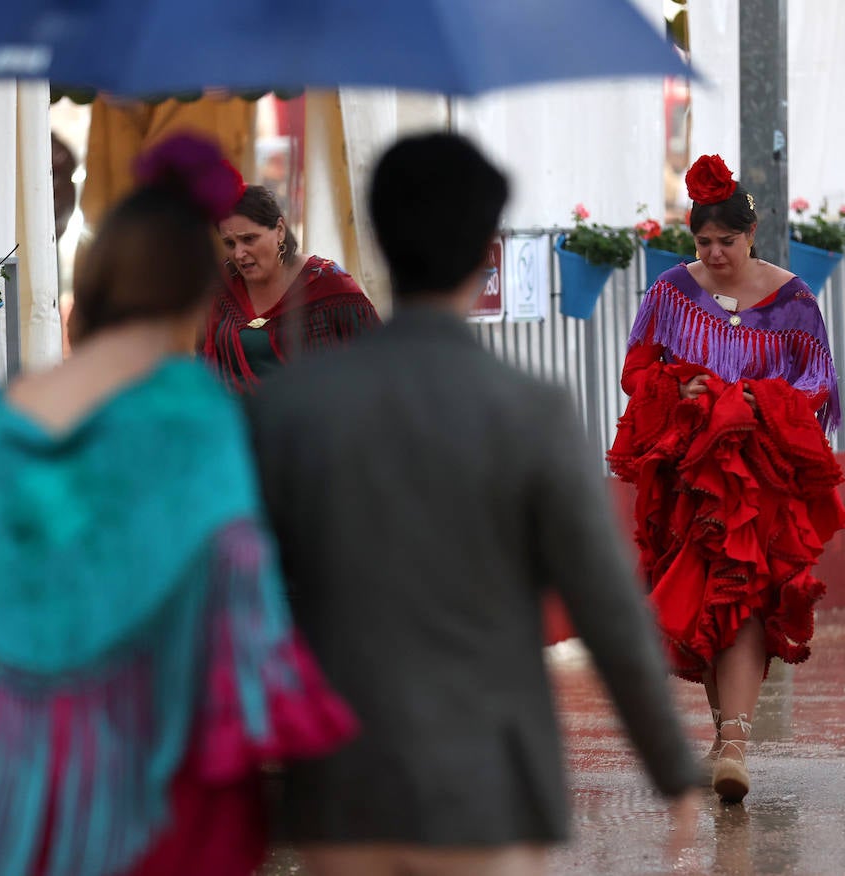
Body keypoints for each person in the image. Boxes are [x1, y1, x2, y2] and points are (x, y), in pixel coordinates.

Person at [0, 134, 356, 876]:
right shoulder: (194, 409)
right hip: (160, 761)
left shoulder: (20, 406)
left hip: (33, 760)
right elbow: (238, 593)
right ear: (194, 289)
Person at [247, 133, 698, 876]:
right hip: (487, 784)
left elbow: (246, 590)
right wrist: (671, 767)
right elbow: (607, 608)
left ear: (383, 242)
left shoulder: (294, 410)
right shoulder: (530, 412)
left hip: (338, 781)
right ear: (489, 250)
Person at [608, 154, 845, 805]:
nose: (715, 253)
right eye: (703, 242)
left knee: (745, 601)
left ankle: (735, 744)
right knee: (708, 607)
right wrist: (676, 384)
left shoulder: (794, 300)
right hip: (691, 479)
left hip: (760, 478)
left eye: (727, 241)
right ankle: (726, 736)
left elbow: (818, 383)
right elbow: (637, 372)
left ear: (752, 233)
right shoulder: (668, 294)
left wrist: (756, 403)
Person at [205, 184, 381, 391]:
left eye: (248, 239)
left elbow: (376, 358)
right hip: (237, 420)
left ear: (279, 230)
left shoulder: (328, 282)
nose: (239, 254)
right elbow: (206, 364)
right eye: (230, 243)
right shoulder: (223, 289)